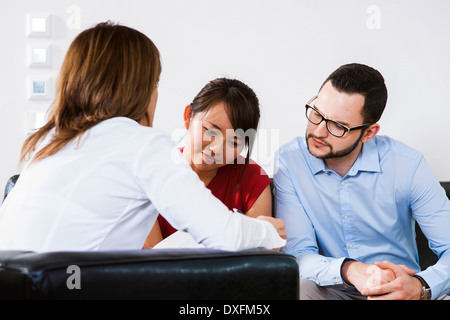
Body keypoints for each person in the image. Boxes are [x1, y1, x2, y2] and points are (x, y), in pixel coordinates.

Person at [0, 21, 286, 252]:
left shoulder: (51, 143)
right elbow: (224, 234)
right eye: (155, 82)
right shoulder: (143, 147)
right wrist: (268, 232)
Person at [274, 63, 450, 300]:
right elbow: (298, 253)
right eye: (316, 113)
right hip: (332, 288)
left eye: (337, 126)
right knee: (296, 288)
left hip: (401, 291)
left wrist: (420, 287)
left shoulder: (408, 164)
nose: (318, 132)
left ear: (369, 133)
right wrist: (350, 269)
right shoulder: (290, 161)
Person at [144, 78, 272, 248]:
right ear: (188, 116)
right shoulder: (151, 173)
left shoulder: (252, 179)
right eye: (211, 131)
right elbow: (154, 263)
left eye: (234, 142)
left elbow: (262, 259)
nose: (216, 149)